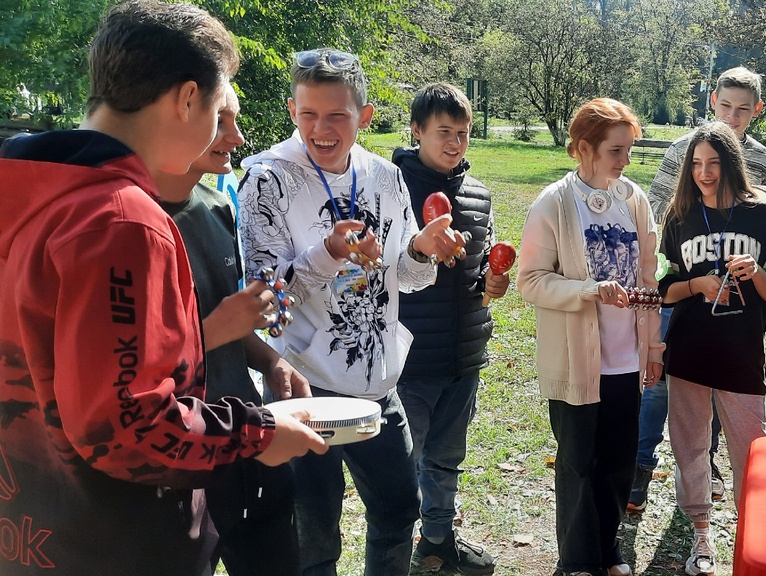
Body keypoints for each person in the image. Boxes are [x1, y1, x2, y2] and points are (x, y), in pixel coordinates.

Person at [0, 3, 326, 575]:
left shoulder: (28, 187)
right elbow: (126, 427)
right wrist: (257, 432)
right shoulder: (124, 220)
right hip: (115, 543)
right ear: (186, 98)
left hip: (28, 529)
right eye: (217, 107)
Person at [237, 48, 465, 576]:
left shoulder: (384, 176)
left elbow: (406, 276)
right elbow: (265, 299)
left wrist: (422, 250)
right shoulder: (267, 179)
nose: (321, 128)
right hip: (304, 383)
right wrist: (328, 253)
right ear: (292, 111)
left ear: (363, 116)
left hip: (377, 382)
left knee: (398, 507)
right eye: (308, 113)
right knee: (315, 530)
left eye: (337, 115)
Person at [152, 84, 312, 576]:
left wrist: (268, 359)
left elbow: (230, 320)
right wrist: (217, 331)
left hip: (244, 431)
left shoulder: (218, 207)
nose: (237, 138)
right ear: (180, 112)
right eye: (221, 122)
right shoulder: (131, 223)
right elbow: (137, 367)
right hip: (178, 454)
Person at [516, 97, 663, 576]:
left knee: (619, 462)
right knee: (580, 463)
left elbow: (648, 276)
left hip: (626, 359)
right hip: (578, 361)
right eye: (616, 151)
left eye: (628, 151)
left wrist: (654, 346)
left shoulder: (634, 199)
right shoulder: (553, 204)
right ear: (584, 149)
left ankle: (607, 548)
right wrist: (589, 290)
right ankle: (577, 560)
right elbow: (531, 281)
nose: (625, 161)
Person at [631, 66, 766, 511]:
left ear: (756, 111)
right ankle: (641, 464)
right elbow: (657, 205)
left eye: (742, 109)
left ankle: (708, 465)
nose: (732, 117)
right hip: (688, 282)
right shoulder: (684, 149)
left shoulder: (762, 161)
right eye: (725, 106)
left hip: (738, 298)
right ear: (712, 100)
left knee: (719, 381)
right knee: (664, 383)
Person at [658, 121, 766, 576]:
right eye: (696, 164)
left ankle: (751, 536)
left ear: (732, 164)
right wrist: (695, 282)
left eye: (714, 163)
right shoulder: (679, 216)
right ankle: (701, 533)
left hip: (741, 355)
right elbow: (662, 288)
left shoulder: (762, 214)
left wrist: (755, 271)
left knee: (750, 449)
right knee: (691, 447)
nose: (704, 173)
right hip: (690, 353)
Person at [391, 82, 507, 575]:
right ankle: (391, 550)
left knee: (445, 459)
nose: (455, 143)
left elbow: (479, 270)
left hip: (462, 354)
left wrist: (494, 280)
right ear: (417, 131)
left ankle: (437, 539)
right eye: (444, 132)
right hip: (408, 356)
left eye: (462, 133)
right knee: (401, 464)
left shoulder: (478, 193)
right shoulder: (390, 185)